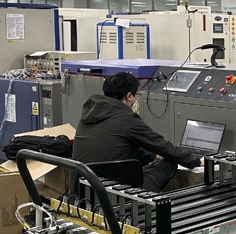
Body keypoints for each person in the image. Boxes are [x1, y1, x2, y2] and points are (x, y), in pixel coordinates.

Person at [72, 72, 202, 192]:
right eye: (135, 96)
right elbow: (161, 145)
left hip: (84, 190)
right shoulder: (127, 118)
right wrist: (195, 161)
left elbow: (117, 148)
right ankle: (147, 203)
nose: (136, 100)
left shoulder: (89, 114)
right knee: (168, 165)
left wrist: (152, 156)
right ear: (129, 96)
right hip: (117, 191)